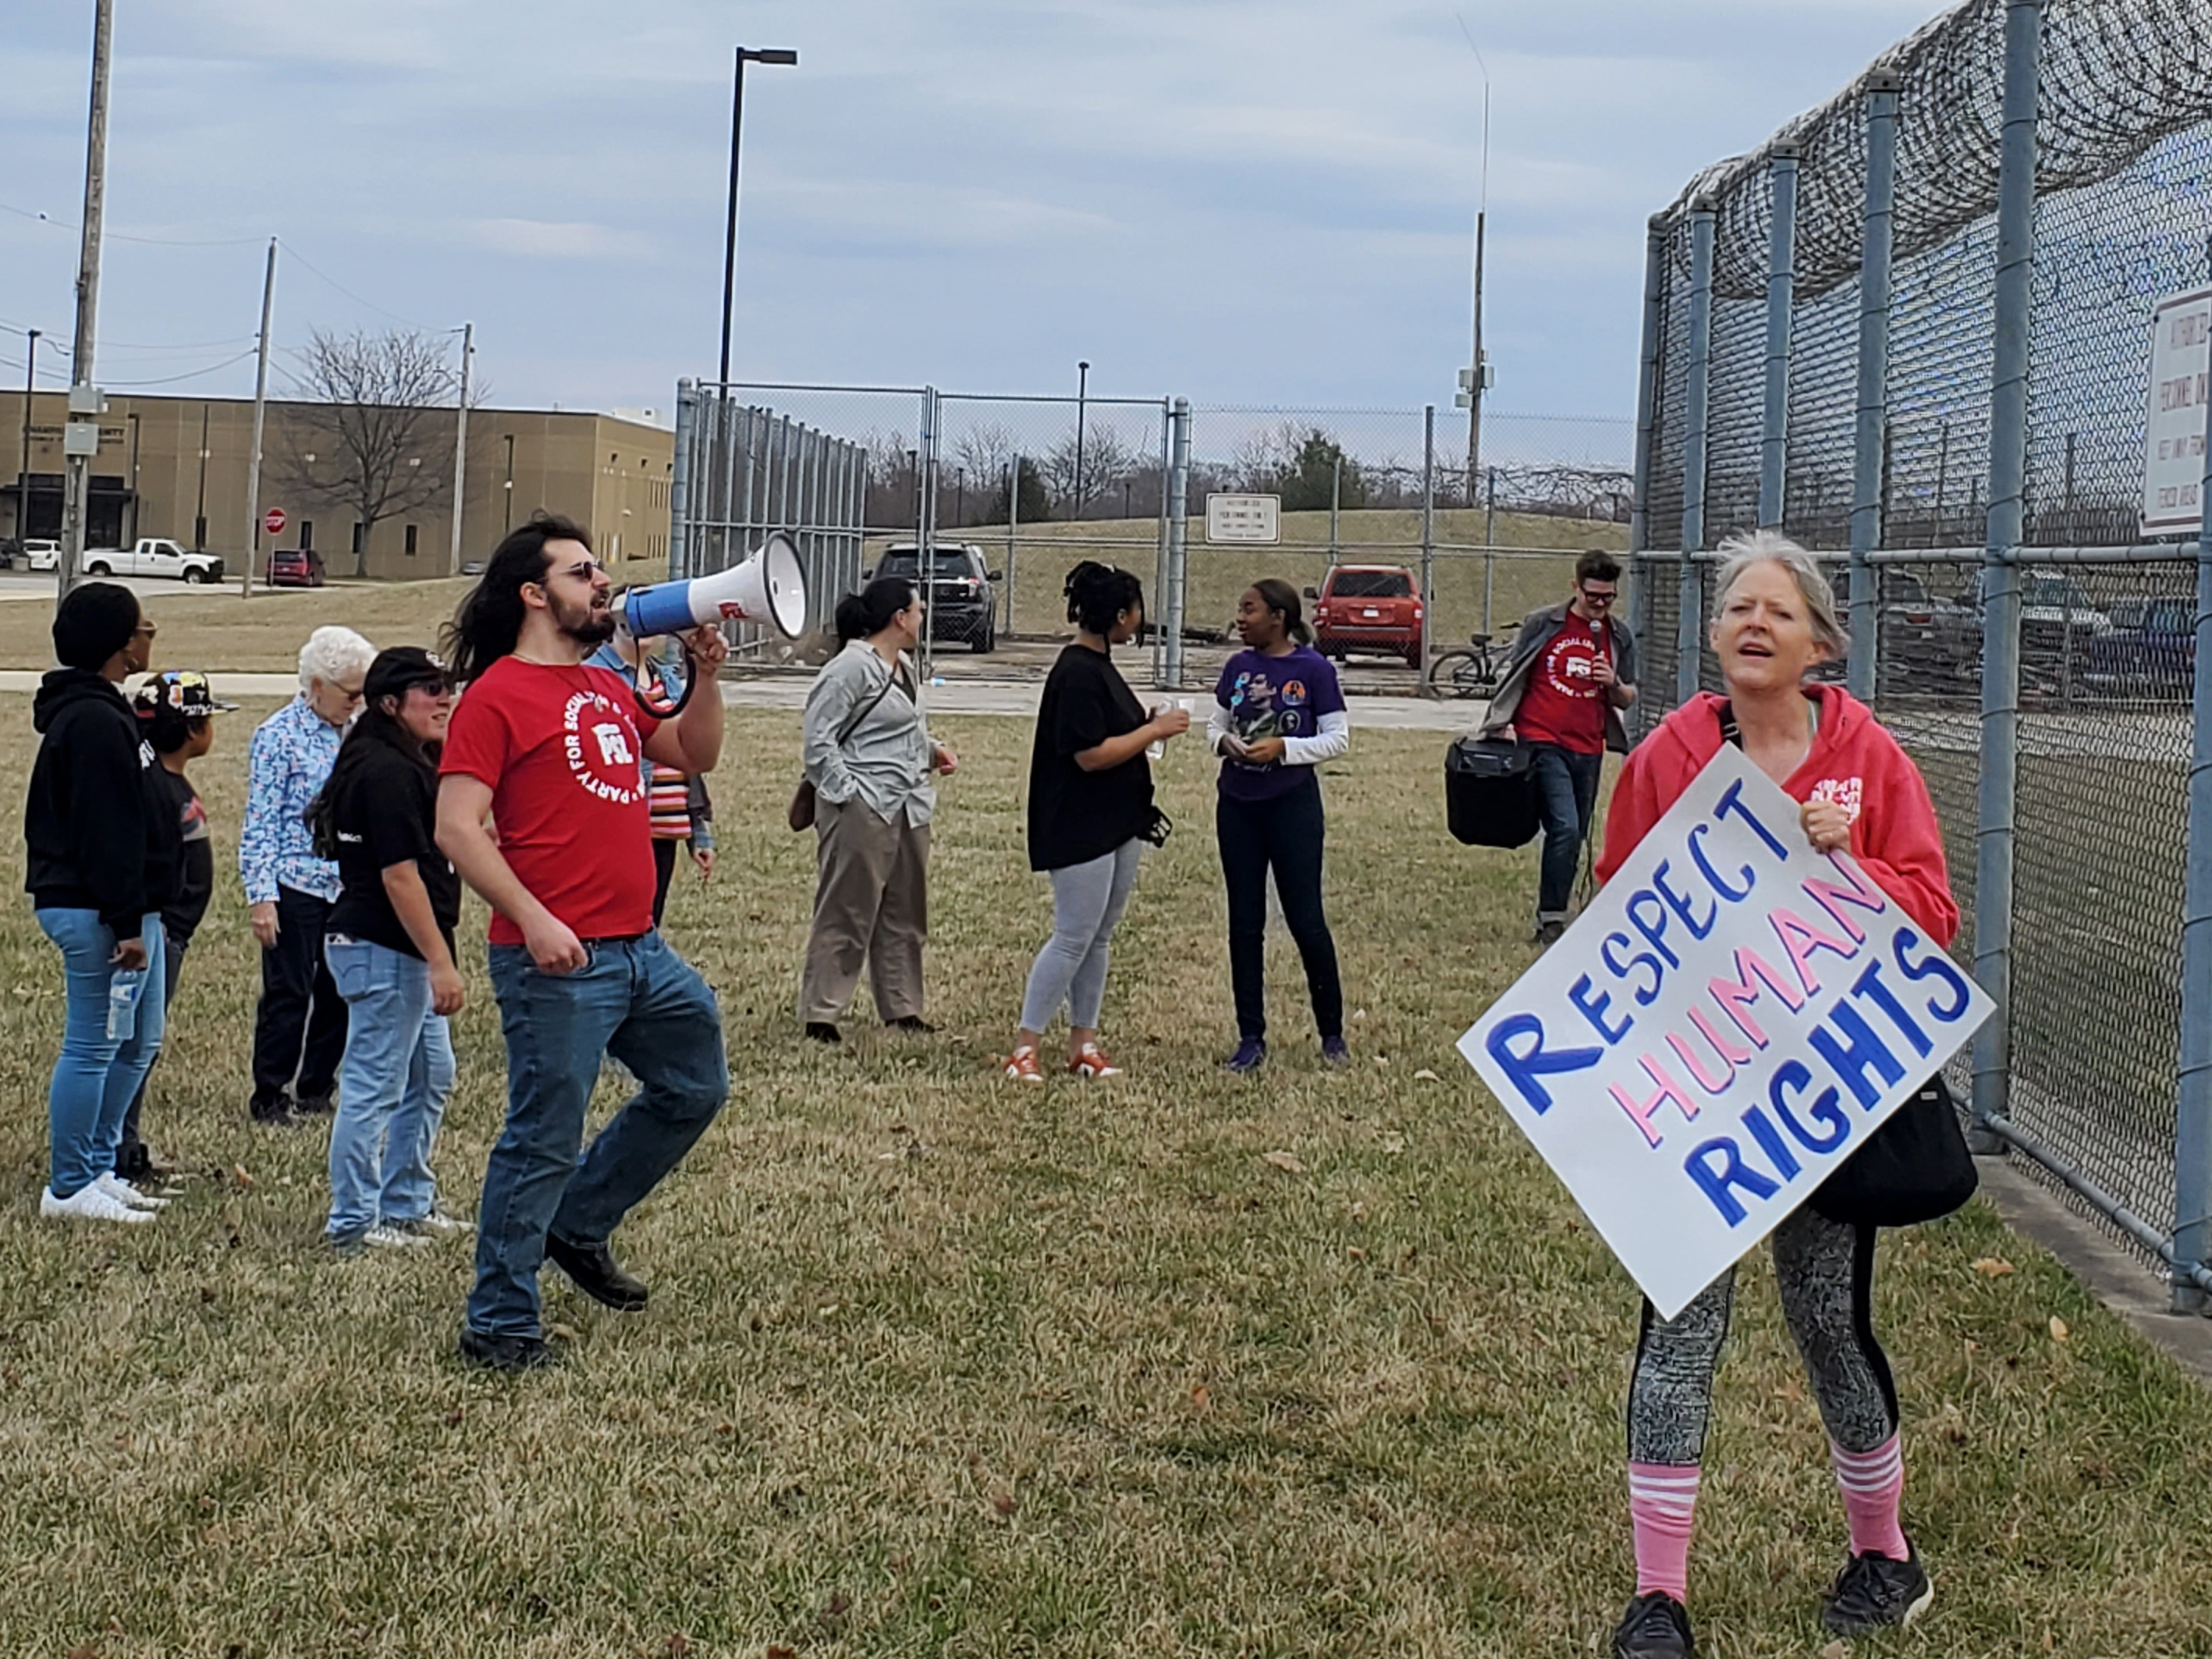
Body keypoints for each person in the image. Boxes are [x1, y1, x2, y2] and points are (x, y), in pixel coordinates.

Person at [1594, 530, 1958, 1657]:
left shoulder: (1866, 755)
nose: (1753, 622)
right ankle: (1658, 1597)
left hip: (1823, 1095)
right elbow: (1616, 906)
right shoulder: (1668, 751)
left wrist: (1845, 860)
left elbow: (1932, 918)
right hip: (1701, 1092)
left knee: (1824, 1323)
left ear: (1817, 642)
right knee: (1679, 1326)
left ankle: (1883, 1553)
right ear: (1712, 635)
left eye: (1778, 609)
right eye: (1735, 607)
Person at [436, 512, 730, 1373]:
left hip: (638, 948)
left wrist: (706, 679)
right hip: (556, 960)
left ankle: (577, 1223)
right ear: (535, 594)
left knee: (695, 1084)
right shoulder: (495, 695)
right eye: (582, 573)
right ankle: (498, 1321)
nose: (603, 583)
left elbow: (688, 749)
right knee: (541, 1136)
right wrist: (533, 917)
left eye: (599, 571)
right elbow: (457, 827)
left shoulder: (608, 687)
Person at [23, 582, 177, 1224]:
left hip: (133, 907)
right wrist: (124, 921)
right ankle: (70, 1185)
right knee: (93, 1044)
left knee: (139, 1040)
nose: (150, 637)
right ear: (120, 643)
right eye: (144, 628)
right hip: (98, 910)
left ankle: (100, 1165)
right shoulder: (89, 720)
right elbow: (105, 829)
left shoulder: (108, 710)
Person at [1004, 561, 1186, 1083]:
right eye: (1134, 610)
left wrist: (1144, 724)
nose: (1138, 619)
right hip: (1079, 824)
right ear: (1120, 615)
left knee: (1099, 936)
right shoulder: (1077, 671)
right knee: (1071, 936)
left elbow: (1111, 733)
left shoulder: (1100, 666)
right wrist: (1155, 734)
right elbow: (1088, 754)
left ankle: (1083, 1042)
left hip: (1119, 821)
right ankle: (1025, 1047)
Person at [311, 648, 467, 1254]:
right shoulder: (386, 772)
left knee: (432, 1076)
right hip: (382, 948)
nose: (443, 699)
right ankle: (352, 1223)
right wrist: (440, 962)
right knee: (375, 1085)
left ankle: (406, 1204)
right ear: (388, 704)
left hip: (392, 948)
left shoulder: (408, 762)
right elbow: (398, 876)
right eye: (429, 689)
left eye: (445, 686)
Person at [798, 575, 957, 1043]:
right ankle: (822, 1013)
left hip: (909, 806)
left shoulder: (905, 666)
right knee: (847, 907)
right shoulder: (850, 667)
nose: (923, 617)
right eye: (919, 609)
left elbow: (897, 733)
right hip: (864, 807)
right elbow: (819, 739)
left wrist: (932, 750)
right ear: (899, 619)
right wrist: (848, 793)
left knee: (906, 912)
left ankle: (902, 1007)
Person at [1209, 578, 1351, 1072]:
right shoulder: (1237, 667)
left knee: (1306, 919)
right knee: (1244, 924)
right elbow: (1216, 724)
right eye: (1240, 610)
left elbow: (1337, 738)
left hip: (1292, 806)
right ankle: (1251, 1037)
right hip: (1237, 805)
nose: (1240, 618)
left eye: (1250, 610)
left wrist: (1285, 750)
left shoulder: (1312, 670)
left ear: (1279, 617)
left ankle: (1332, 1035)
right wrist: (1223, 744)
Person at [240, 624, 377, 1124]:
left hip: (349, 885)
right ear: (316, 685)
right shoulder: (277, 736)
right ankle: (270, 1093)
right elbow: (260, 820)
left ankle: (317, 1090)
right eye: (350, 693)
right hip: (295, 883)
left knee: (339, 993)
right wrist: (262, 895)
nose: (357, 703)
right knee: (288, 993)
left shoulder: (361, 732)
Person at [115, 670, 240, 1182]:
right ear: (192, 729)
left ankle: (127, 1142)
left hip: (174, 933)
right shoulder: (154, 789)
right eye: (208, 718)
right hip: (159, 932)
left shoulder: (166, 780)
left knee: (144, 1043)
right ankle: (119, 1149)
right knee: (133, 1045)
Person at [1481, 549, 1639, 943]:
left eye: (1608, 598)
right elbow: (1516, 674)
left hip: (1589, 746)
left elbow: (1629, 697)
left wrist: (1612, 683)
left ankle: (1557, 911)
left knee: (1576, 832)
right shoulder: (1544, 624)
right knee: (1565, 827)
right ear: (1576, 588)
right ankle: (1551, 920)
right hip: (1541, 740)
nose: (1600, 605)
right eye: (1592, 596)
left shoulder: (1618, 635)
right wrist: (1503, 724)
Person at [586, 631, 718, 926]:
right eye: (630, 620)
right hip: (622, 826)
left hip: (665, 827)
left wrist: (699, 833)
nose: (640, 629)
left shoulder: (666, 677)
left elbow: (689, 756)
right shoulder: (594, 676)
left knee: (648, 923)